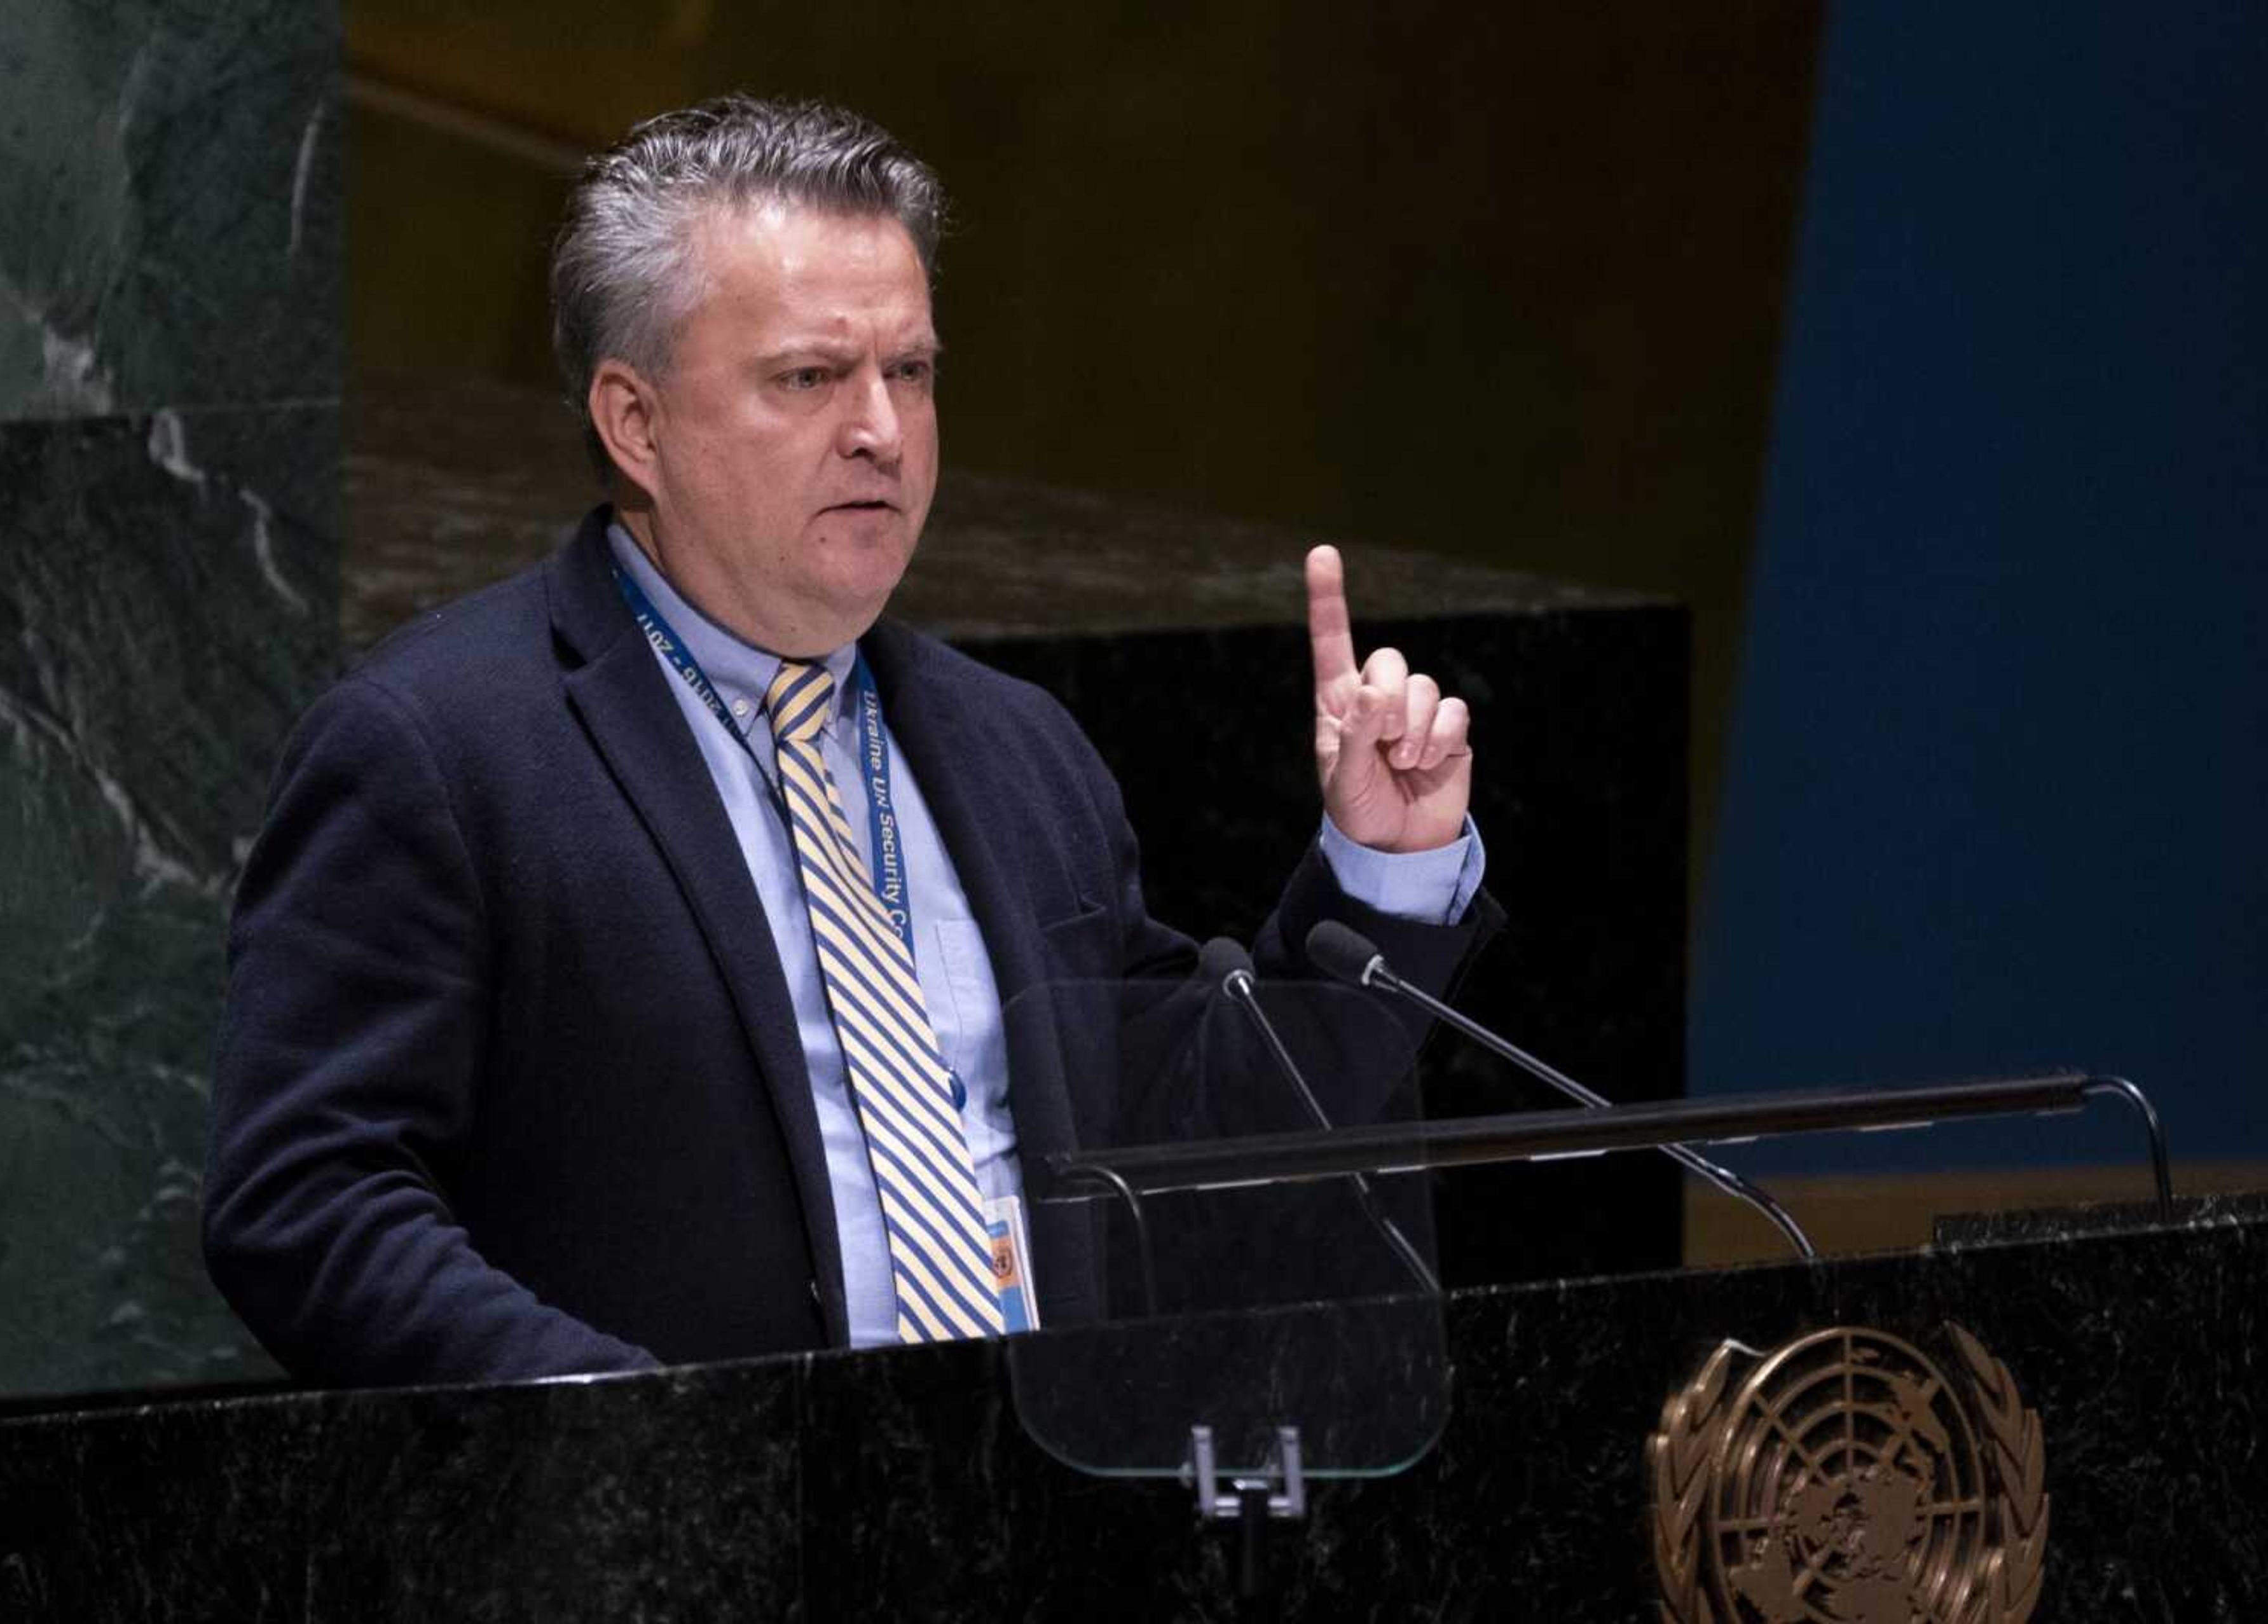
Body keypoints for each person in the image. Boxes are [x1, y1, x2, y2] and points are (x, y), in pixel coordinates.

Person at [203, 95, 1501, 1386]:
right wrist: (643, 1437)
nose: (883, 428)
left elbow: (1182, 1149)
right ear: (635, 422)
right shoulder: (437, 746)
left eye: (913, 371)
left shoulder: (1020, 748)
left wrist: (1376, 870)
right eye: (810, 376)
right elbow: (308, 1201)